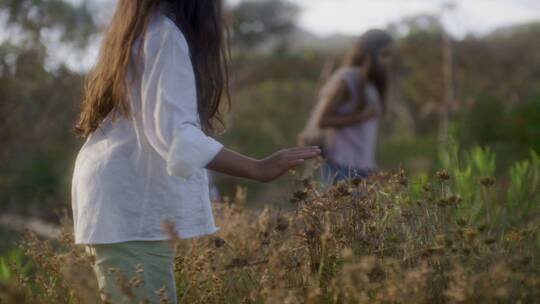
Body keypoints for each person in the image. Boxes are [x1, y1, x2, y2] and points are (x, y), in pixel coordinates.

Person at [71, 1, 321, 303]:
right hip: (130, 205)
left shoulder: (137, 29)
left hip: (115, 199)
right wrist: (258, 168)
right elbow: (176, 135)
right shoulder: (164, 34)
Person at [299, 29, 393, 185]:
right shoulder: (349, 78)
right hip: (341, 165)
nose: (388, 61)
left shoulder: (370, 83)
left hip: (362, 167)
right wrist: (361, 116)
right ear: (368, 54)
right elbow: (323, 120)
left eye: (390, 55)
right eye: (384, 54)